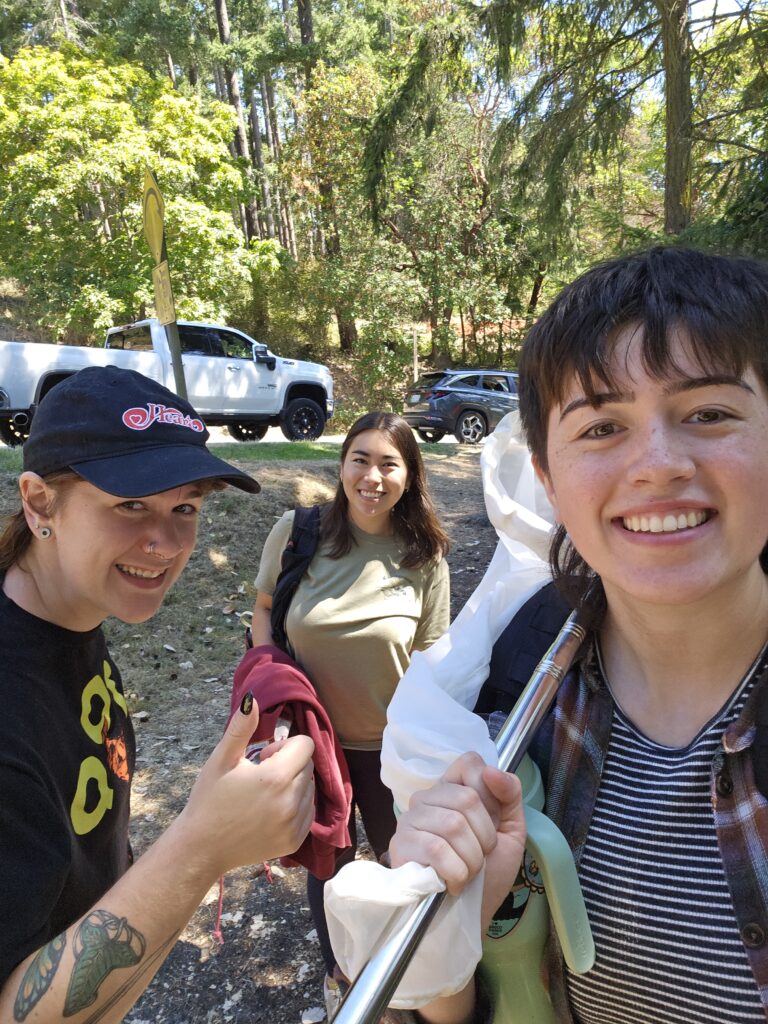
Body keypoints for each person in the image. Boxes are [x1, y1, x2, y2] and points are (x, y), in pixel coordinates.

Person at [381, 246, 768, 1023]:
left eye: (710, 413)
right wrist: (443, 929)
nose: (657, 464)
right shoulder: (509, 691)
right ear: (549, 479)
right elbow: (479, 1004)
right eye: (601, 427)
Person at [0, 366, 316, 1024]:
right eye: (130, 504)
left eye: (185, 508)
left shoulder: (66, 614)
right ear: (38, 503)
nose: (168, 543)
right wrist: (201, 847)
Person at [251, 411, 450, 1015]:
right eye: (360, 458)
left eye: (389, 464)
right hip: (314, 741)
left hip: (390, 748)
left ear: (410, 476)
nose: (372, 475)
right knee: (328, 867)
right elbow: (264, 610)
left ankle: (407, 974)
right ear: (342, 466)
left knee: (403, 861)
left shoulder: (425, 555)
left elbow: (434, 658)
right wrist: (267, 679)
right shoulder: (298, 531)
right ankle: (343, 974)